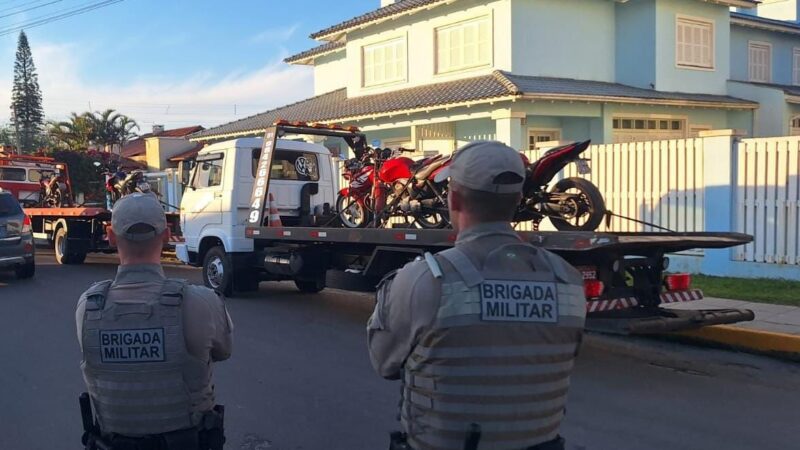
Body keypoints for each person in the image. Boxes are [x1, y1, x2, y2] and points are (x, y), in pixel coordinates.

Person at [368, 141, 587, 450]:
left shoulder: (423, 280)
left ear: (454, 198)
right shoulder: (568, 281)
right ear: (519, 198)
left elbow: (384, 363)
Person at [76, 193, 233, 450]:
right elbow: (224, 351)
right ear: (167, 234)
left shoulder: (88, 307)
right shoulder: (199, 302)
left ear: (111, 235)